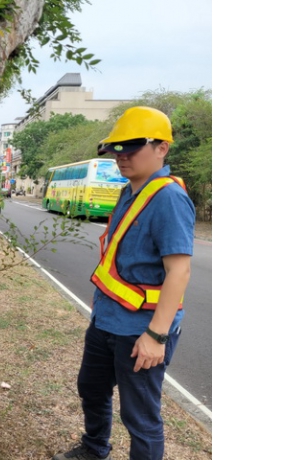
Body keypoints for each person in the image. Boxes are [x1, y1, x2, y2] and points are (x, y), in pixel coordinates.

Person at [53, 106, 195, 460]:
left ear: (162, 147)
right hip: (107, 321)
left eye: (132, 146)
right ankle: (95, 448)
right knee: (91, 388)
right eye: (117, 148)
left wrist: (156, 336)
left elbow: (179, 272)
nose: (122, 156)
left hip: (141, 332)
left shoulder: (168, 198)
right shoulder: (129, 192)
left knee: (140, 418)